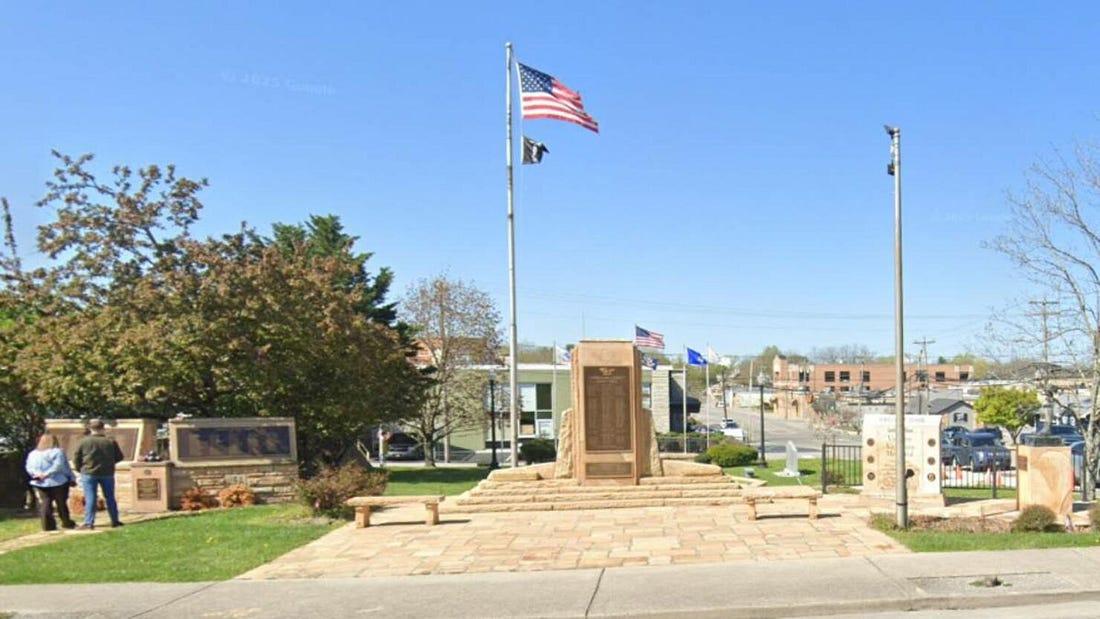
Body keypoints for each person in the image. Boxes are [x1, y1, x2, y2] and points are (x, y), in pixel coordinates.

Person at [73, 419, 125, 529]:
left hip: (89, 472)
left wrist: (79, 469)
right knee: (110, 497)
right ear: (103, 428)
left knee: (91, 497)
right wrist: (109, 463)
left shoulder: (83, 441)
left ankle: (89, 522)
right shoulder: (110, 441)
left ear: (90, 429)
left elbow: (76, 457)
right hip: (107, 473)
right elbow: (119, 457)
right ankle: (115, 520)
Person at [24, 433, 78, 531]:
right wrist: (71, 477)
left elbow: (29, 467)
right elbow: (59, 466)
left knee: (45, 503)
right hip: (58, 481)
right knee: (61, 502)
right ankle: (66, 522)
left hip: (39, 482)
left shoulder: (33, 454)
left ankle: (47, 525)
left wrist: (37, 475)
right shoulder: (57, 452)